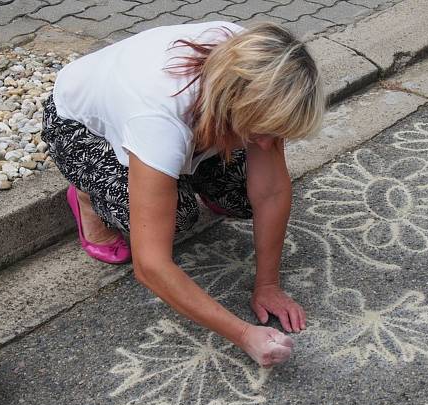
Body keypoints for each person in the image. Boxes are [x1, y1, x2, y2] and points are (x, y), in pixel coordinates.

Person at [41, 22, 325, 368]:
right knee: (175, 219)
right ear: (234, 102)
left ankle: (185, 175)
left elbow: (270, 192)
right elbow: (151, 265)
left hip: (192, 121)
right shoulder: (157, 117)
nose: (268, 144)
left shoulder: (258, 64)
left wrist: (268, 284)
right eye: (264, 132)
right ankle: (86, 196)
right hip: (79, 126)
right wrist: (243, 334)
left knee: (244, 195)